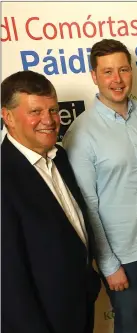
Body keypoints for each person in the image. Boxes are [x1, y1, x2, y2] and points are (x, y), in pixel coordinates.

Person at [63, 39, 137, 333]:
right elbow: (86, 205)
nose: (117, 79)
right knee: (126, 326)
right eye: (108, 71)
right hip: (122, 256)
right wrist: (109, 264)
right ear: (94, 76)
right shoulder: (81, 133)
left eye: (123, 69)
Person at [1, 70, 100, 333]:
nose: (49, 120)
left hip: (79, 307)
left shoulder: (61, 158)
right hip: (42, 321)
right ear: (7, 116)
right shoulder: (3, 179)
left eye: (53, 110)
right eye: (35, 112)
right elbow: (8, 282)